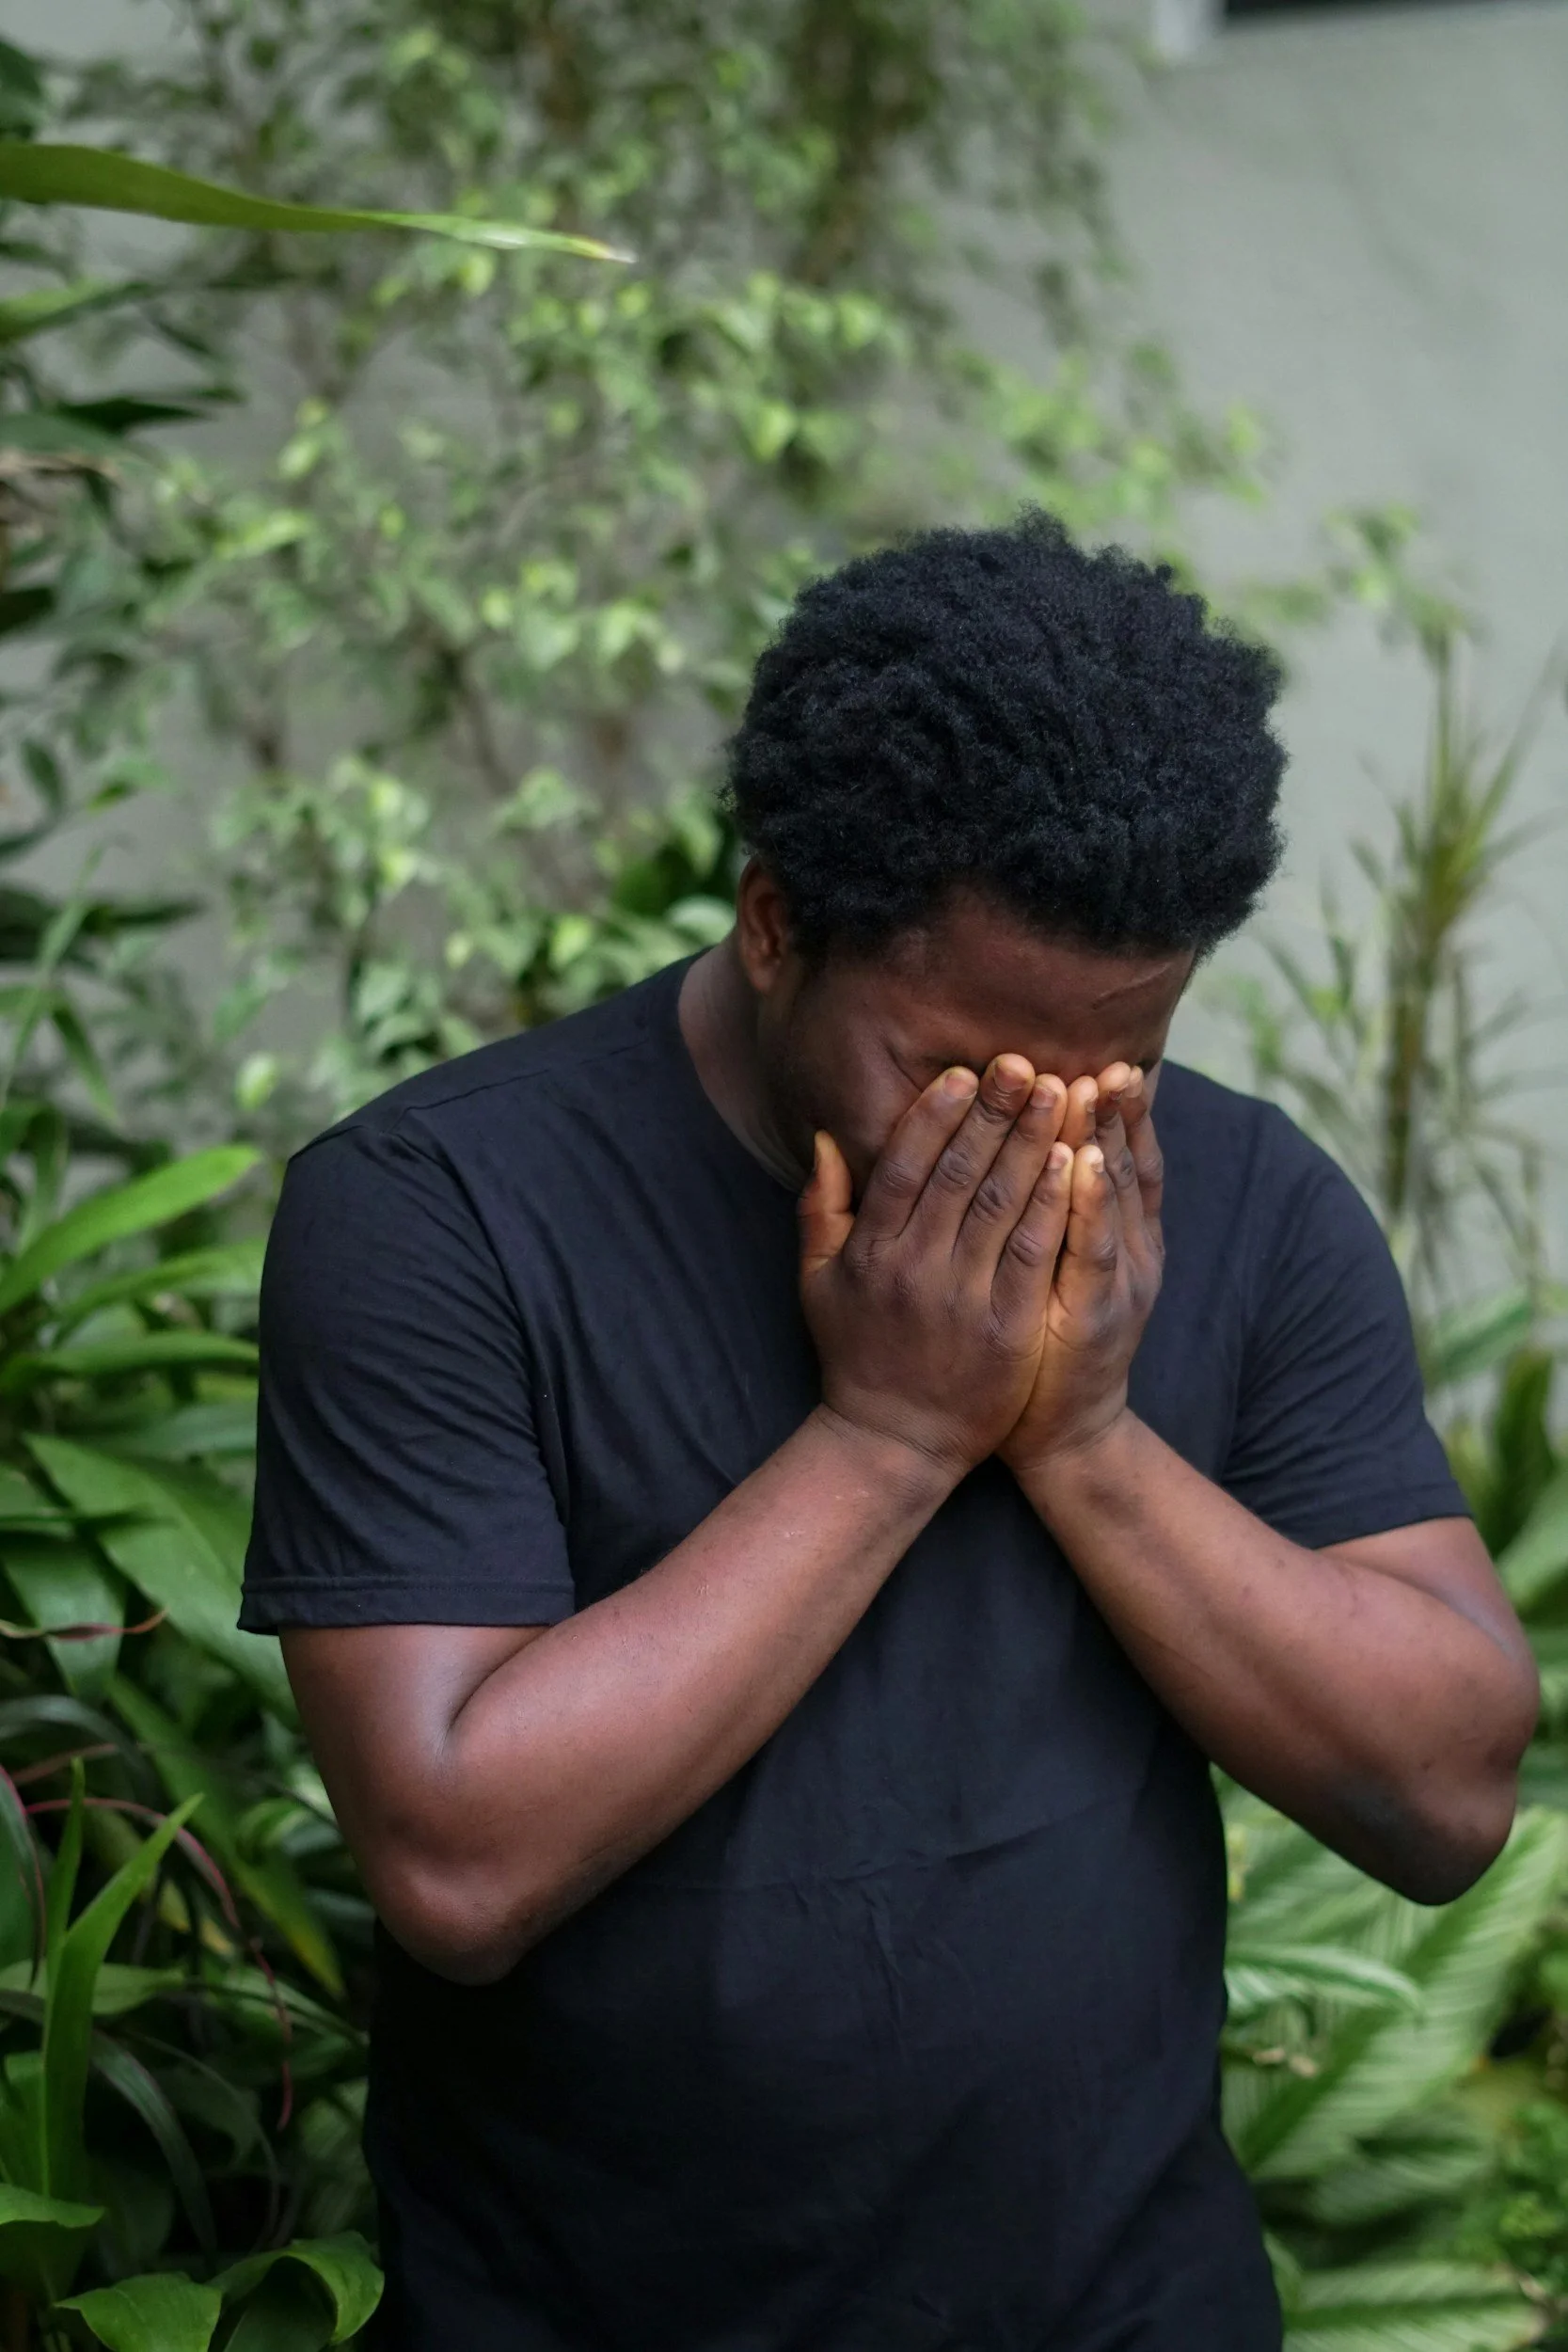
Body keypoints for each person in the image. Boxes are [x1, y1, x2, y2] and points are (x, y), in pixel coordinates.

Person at [241, 514, 1538, 2352]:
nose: (1042, 1149)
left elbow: (1448, 1793)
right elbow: (455, 1860)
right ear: (774, 922)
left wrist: (1084, 1439)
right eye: (954, 1075)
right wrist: (889, 1434)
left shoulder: (1252, 1205)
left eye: (1115, 1077)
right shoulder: (440, 1212)